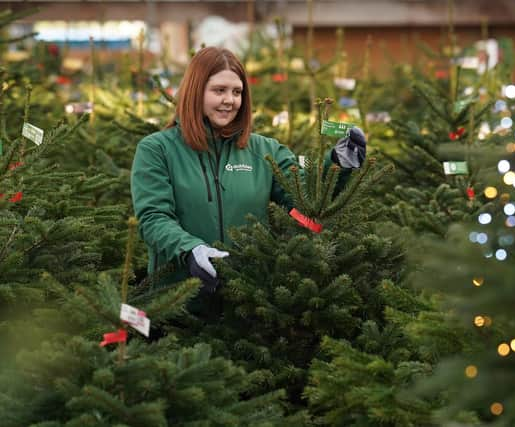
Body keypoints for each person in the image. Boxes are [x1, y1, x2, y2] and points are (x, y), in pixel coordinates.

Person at [131, 46, 366, 295]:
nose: (229, 100)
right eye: (219, 90)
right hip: (177, 304)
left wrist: (338, 164)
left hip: (248, 305)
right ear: (195, 92)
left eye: (237, 92)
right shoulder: (157, 149)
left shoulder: (265, 151)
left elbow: (305, 201)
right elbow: (153, 218)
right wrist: (190, 250)